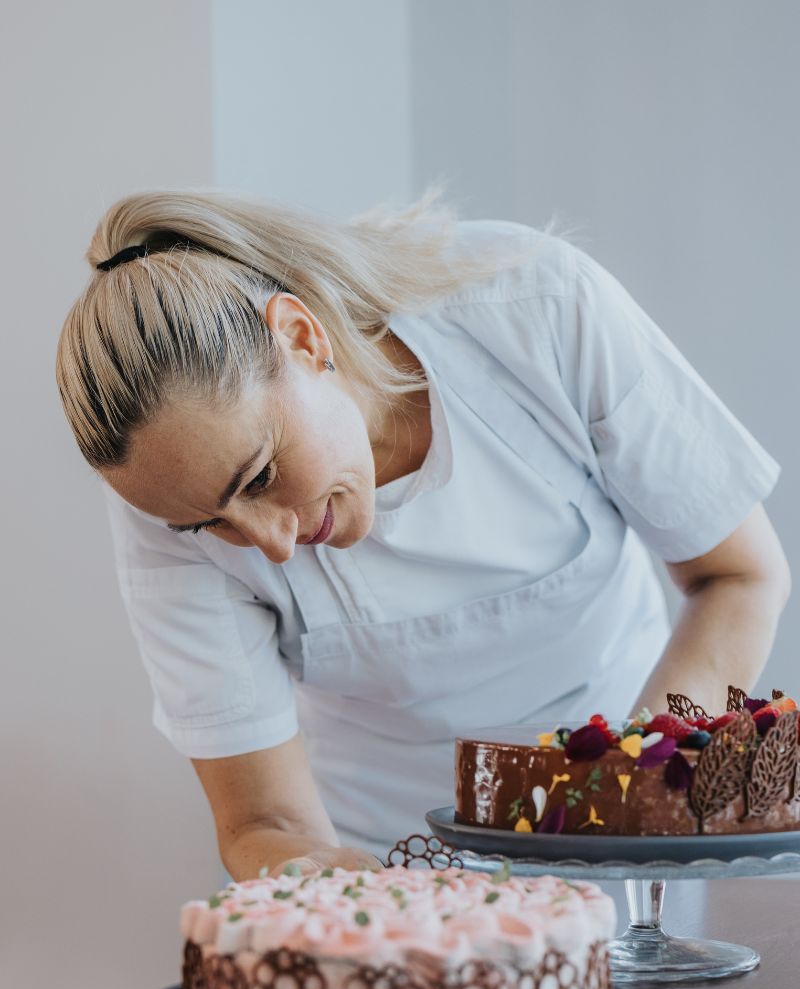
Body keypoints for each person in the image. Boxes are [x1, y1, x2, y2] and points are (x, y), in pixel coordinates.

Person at [55, 185, 791, 881]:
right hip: (388, 857)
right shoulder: (169, 496)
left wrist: (631, 785)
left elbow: (737, 577)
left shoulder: (534, 309)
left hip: (636, 840)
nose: (271, 545)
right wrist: (344, 895)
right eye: (210, 525)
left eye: (259, 477)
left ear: (302, 337)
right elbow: (261, 821)